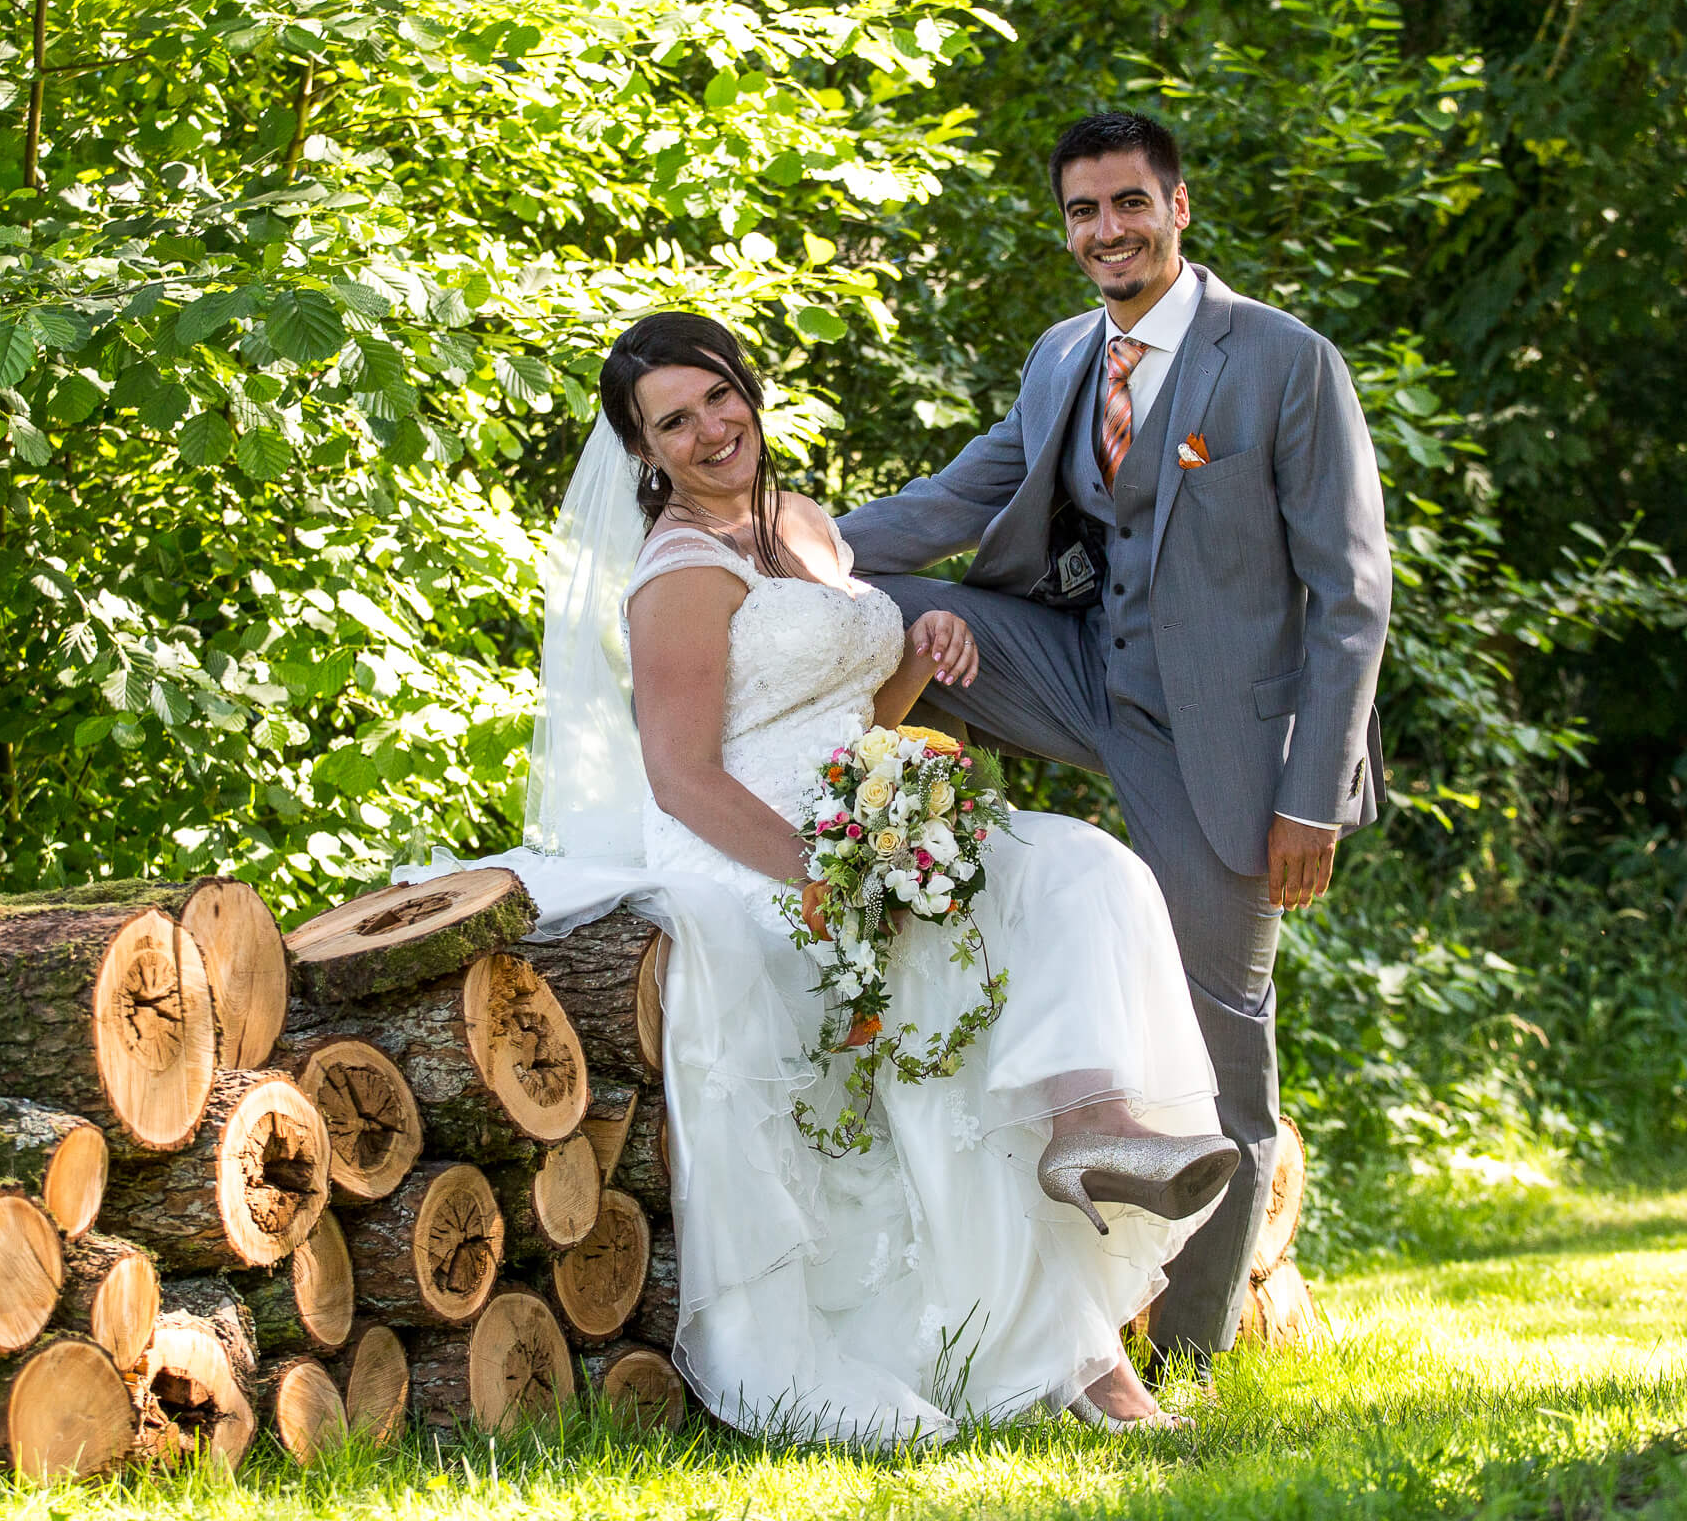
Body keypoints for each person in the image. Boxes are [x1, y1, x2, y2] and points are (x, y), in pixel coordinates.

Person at [416, 310, 1236, 1441]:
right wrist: (822, 878)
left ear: (747, 390)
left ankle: (1094, 1126)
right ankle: (1071, 1357)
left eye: (718, 398)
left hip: (867, 827)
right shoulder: (678, 578)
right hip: (752, 856)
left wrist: (920, 653)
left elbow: (849, 708)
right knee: (948, 969)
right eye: (674, 422)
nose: (709, 431)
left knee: (1082, 865)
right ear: (644, 452)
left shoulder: (801, 525)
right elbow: (683, 778)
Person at [836, 110, 1392, 1386]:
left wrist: (1313, 798)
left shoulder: (1284, 361)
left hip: (1235, 752)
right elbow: (964, 497)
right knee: (903, 617)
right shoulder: (1060, 360)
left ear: (1178, 209)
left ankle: (1190, 1344)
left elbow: (1354, 595)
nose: (1107, 232)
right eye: (1085, 212)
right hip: (1085, 676)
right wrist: (777, 551)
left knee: (1222, 1038)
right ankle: (922, 844)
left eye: (1129, 204)